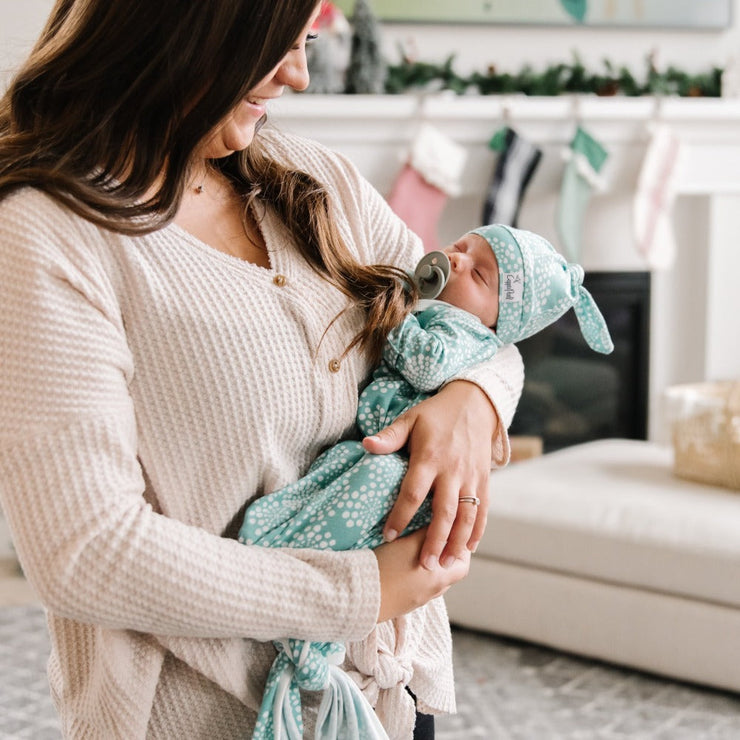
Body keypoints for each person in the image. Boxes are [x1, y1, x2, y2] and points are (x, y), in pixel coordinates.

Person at [0, 1, 525, 737]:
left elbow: (488, 328)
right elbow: (87, 550)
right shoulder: (45, 234)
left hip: (387, 691)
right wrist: (358, 590)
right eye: (273, 45)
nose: (299, 75)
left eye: (306, 41)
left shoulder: (319, 181)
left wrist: (474, 397)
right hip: (206, 716)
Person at [239, 223, 614, 739]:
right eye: (461, 247)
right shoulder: (439, 307)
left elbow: (428, 360)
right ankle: (287, 535)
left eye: (479, 273)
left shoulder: (457, 331)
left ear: (499, 320)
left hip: (401, 466)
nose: (456, 261)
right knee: (340, 479)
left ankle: (290, 558)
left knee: (361, 492)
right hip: (379, 445)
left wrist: (395, 319)